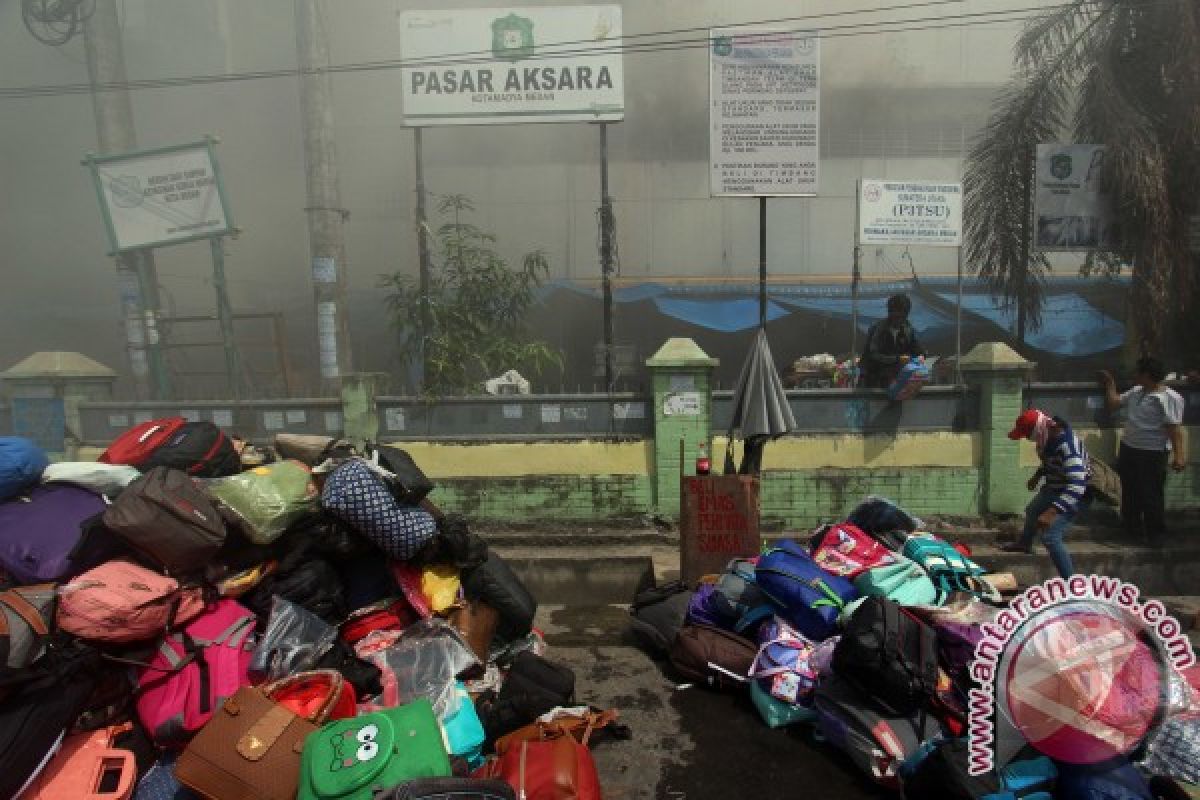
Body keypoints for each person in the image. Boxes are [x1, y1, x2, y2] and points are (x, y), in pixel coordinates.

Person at [1099, 357, 1186, 544]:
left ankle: (1156, 534)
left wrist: (1179, 456)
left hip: (1152, 452)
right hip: (1130, 447)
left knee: (1151, 493)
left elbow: (1174, 429)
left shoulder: (1169, 398)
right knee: (1130, 491)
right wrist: (1110, 384)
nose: (1134, 375)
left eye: (1137, 372)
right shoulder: (1137, 392)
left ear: (1146, 375)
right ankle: (1131, 529)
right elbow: (1114, 403)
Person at [999, 409, 1090, 578]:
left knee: (1050, 536)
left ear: (1036, 430)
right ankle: (1025, 543)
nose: (1026, 439)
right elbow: (1051, 461)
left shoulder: (1067, 446)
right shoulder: (1047, 438)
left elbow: (1078, 484)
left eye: (1027, 435)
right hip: (1054, 487)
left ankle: (1071, 583)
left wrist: (1051, 511)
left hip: (1074, 495)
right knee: (1033, 510)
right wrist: (1037, 476)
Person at [860, 294, 924, 389]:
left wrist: (921, 355)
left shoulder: (907, 328)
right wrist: (897, 359)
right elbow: (873, 354)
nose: (899, 320)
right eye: (896, 315)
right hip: (873, 379)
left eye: (903, 316)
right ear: (890, 312)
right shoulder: (878, 329)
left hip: (897, 378)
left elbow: (916, 348)